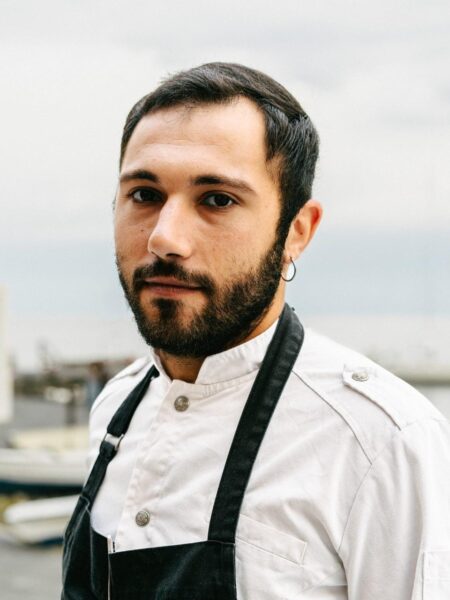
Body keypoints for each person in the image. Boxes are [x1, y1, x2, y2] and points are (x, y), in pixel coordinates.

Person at [61, 63, 450, 599]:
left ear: (296, 231)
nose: (164, 239)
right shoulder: (116, 406)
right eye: (145, 194)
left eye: (217, 199)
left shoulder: (379, 443)